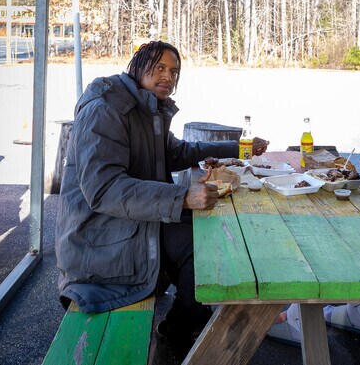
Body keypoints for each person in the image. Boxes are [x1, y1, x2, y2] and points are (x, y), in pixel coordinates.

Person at [55, 41, 268, 355]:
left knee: (214, 241)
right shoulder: (105, 108)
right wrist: (182, 197)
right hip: (100, 237)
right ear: (137, 67)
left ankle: (183, 323)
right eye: (159, 68)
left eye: (174, 71)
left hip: (137, 222)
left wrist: (239, 147)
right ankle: (179, 334)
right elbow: (104, 190)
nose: (168, 76)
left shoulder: (146, 108)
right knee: (206, 253)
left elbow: (179, 152)